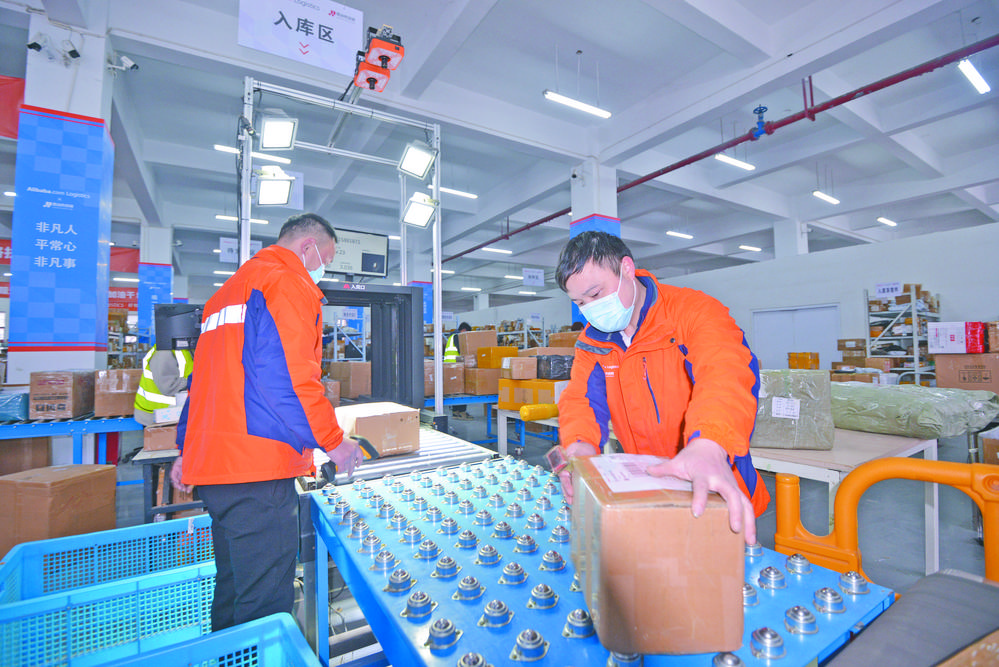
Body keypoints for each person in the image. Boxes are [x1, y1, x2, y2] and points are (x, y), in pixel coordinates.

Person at [171, 213, 363, 631]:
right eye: (326, 259)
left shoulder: (225, 294)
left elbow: (202, 383)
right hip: (256, 469)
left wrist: (186, 449)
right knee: (264, 607)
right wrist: (334, 441)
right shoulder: (286, 282)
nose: (323, 270)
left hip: (218, 470)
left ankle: (230, 656)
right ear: (307, 247)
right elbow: (289, 380)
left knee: (234, 587)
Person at [550, 231, 770, 545]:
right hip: (649, 490)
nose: (592, 309)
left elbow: (725, 374)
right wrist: (580, 447)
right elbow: (581, 400)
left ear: (626, 268)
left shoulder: (693, 312)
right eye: (580, 303)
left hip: (713, 484)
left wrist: (709, 445)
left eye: (596, 294)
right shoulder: (593, 342)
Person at [444, 321, 473, 420]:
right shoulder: (457, 337)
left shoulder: (452, 336)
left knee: (456, 390)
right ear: (464, 330)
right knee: (462, 390)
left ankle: (456, 412)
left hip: (450, 366)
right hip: (456, 366)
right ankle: (462, 412)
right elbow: (462, 351)